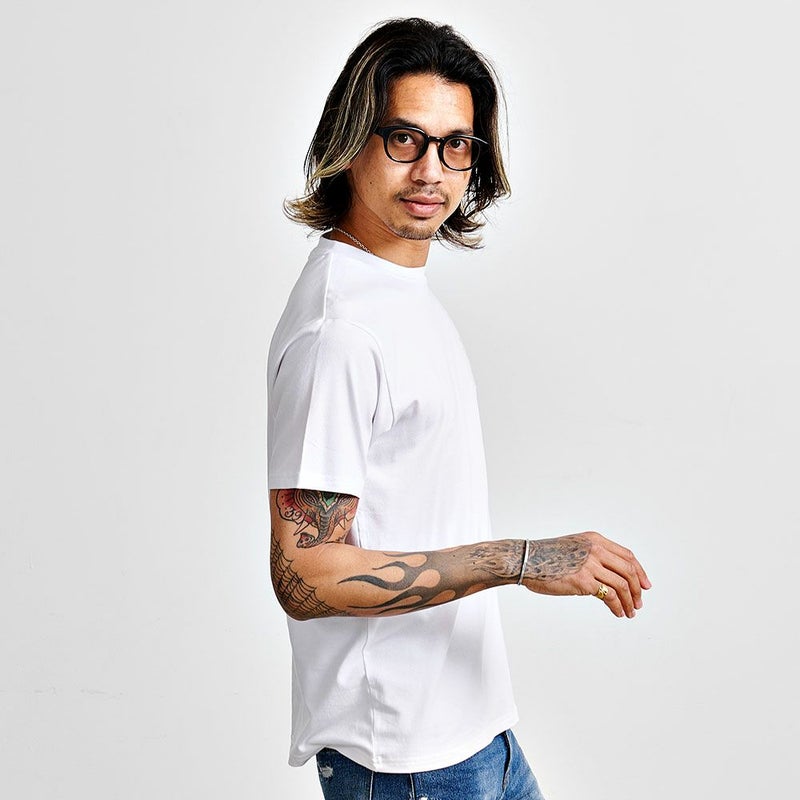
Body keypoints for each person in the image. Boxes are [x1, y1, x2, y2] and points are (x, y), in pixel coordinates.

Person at [267, 17, 651, 800]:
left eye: (455, 146)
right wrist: (520, 559)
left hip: (474, 735)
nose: (430, 171)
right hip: (405, 760)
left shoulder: (395, 289)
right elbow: (303, 574)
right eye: (404, 139)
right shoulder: (340, 329)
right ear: (352, 142)